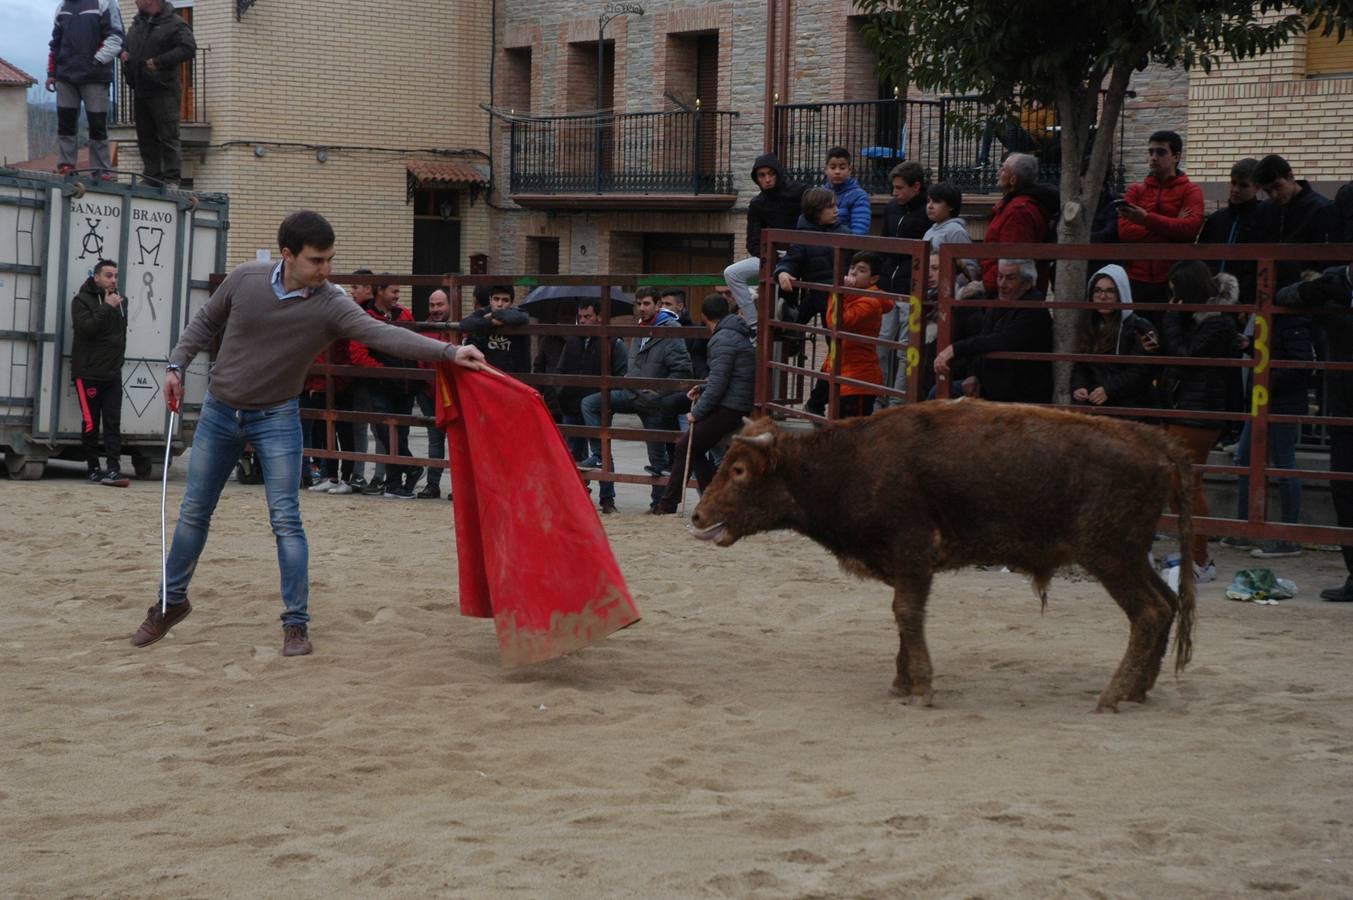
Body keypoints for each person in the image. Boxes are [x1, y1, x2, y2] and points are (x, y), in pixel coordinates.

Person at [129, 211, 486, 655]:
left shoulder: (331, 303)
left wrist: (449, 352)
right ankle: (171, 602)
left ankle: (295, 624)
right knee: (194, 513)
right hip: (221, 411)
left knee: (286, 520)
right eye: (317, 260)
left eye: (330, 259)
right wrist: (176, 364)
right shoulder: (245, 279)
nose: (326, 270)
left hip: (278, 415)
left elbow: (384, 335)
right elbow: (204, 322)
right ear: (288, 255)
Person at [1158, 261, 1240, 585]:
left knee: (1188, 485)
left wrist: (1171, 318)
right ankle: (1193, 551)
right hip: (1184, 406)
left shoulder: (1216, 323)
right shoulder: (1199, 320)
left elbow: (1184, 354)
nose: (1172, 298)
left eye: (1175, 291)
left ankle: (1201, 559)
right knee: (1178, 485)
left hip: (1198, 410)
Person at [1275, 259, 1353, 600]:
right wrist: (1312, 291)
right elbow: (1283, 294)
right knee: (1344, 492)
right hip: (1342, 404)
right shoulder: (1335, 279)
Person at [580, 287, 693, 512]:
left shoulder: (670, 330)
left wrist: (659, 394)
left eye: (647, 303)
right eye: (639, 304)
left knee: (656, 458)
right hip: (632, 393)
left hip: (652, 400)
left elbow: (682, 370)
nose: (642, 308)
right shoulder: (641, 327)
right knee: (590, 403)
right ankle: (600, 455)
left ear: (658, 304)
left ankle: (659, 504)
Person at [1221, 306, 1313, 559]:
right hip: (1264, 400)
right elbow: (1278, 357)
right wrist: (1250, 345)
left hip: (1279, 401)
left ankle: (1287, 537)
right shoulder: (1274, 318)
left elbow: (1298, 365)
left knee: (1283, 463)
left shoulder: (1293, 320)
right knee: (1245, 458)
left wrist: (1264, 383)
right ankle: (1245, 529)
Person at [653, 293, 755, 515]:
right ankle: (712, 499)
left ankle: (668, 504)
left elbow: (719, 383)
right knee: (693, 447)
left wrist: (697, 413)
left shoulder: (722, 338)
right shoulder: (734, 334)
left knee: (684, 446)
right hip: (734, 403)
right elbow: (723, 378)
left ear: (705, 317)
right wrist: (703, 388)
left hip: (730, 407)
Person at [934, 258, 1052, 403]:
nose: (1002, 284)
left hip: (1018, 395)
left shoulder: (1033, 309)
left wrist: (955, 349)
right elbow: (984, 335)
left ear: (1027, 283)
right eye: (1000, 276)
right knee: (938, 393)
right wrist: (974, 375)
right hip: (990, 386)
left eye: (1010, 278)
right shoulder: (1000, 301)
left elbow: (1002, 340)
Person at [553, 299, 628, 514]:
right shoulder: (573, 341)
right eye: (581, 317)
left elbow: (621, 376)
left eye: (587, 316)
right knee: (571, 452)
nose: (583, 321)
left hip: (598, 406)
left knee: (601, 451)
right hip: (572, 404)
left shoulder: (614, 343)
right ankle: (574, 498)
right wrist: (562, 393)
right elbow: (561, 370)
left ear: (599, 317)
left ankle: (607, 498)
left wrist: (606, 400)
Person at [1114, 130, 1205, 308]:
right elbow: (1125, 233)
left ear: (1176, 156)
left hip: (1174, 280)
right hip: (1136, 278)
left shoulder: (1191, 190)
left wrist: (1145, 219)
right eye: (1151, 152)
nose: (1154, 157)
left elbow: (1190, 230)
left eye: (1161, 152)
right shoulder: (1135, 191)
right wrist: (1171, 225)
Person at [349, 279, 421, 499]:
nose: (397, 296)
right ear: (380, 291)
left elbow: (414, 345)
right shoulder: (366, 316)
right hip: (381, 385)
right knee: (385, 431)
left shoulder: (405, 315)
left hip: (405, 385)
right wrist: (383, 371)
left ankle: (395, 482)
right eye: (394, 291)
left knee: (399, 433)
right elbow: (358, 353)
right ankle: (411, 467)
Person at [120, 0, 196, 188]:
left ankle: (171, 179)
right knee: (145, 136)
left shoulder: (174, 23)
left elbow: (188, 48)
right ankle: (152, 176)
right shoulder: (138, 24)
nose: (136, 2)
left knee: (168, 136)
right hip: (140, 88)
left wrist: (159, 62)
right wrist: (124, 54)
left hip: (164, 89)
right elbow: (129, 45)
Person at [723, 153, 804, 325]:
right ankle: (753, 322)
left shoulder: (800, 192)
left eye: (771, 173)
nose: (767, 179)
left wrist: (794, 253)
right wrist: (770, 256)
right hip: (769, 259)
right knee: (731, 273)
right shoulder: (757, 204)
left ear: (778, 173)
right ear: (756, 178)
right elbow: (752, 242)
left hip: (798, 257)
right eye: (762, 175)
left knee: (782, 310)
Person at [1069, 264, 1160, 416]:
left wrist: (1109, 389)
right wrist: (1079, 387)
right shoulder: (1090, 324)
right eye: (1097, 291)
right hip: (1096, 408)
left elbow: (1142, 371)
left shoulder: (1139, 327)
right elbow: (1081, 365)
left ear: (1121, 294)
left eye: (1110, 291)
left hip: (1131, 410)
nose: (1102, 296)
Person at [47, 0, 123, 179]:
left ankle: (101, 170)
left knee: (97, 125)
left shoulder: (105, 3)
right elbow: (55, 43)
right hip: (65, 76)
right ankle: (66, 165)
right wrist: (51, 72)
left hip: (95, 77)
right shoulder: (62, 7)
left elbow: (116, 37)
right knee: (65, 124)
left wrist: (96, 61)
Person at [70, 258, 127, 483]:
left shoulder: (121, 302)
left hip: (112, 374)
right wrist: (105, 307)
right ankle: (93, 467)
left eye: (115, 276)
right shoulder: (81, 301)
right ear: (96, 277)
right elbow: (86, 329)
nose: (113, 280)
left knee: (113, 422)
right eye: (108, 275)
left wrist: (118, 362)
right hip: (88, 373)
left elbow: (120, 336)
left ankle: (113, 468)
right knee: (91, 423)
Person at [820, 251, 894, 418]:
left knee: (854, 432)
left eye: (861, 270)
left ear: (873, 279)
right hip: (845, 372)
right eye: (852, 268)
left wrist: (838, 292)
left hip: (859, 380)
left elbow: (836, 322)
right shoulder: (855, 295)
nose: (853, 272)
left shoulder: (870, 302)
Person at [1253, 153, 1336, 288]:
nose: (1274, 195)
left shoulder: (1321, 209)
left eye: (1277, 186)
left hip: (1307, 294)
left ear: (1291, 177)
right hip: (1271, 292)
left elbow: (1326, 261)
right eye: (1268, 191)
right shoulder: (1265, 209)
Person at [981, 153, 1054, 295]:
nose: (998, 172)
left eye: (1003, 169)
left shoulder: (1018, 212)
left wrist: (985, 285)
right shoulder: (1013, 207)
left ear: (1013, 179)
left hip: (1009, 294)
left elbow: (1012, 258)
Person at [412, 288, 454, 499]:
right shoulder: (424, 330)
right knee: (435, 441)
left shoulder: (458, 329)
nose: (436, 309)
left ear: (449, 304)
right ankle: (432, 484)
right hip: (430, 393)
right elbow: (419, 362)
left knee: (457, 443)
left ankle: (460, 486)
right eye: (432, 305)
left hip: (455, 395)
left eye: (440, 305)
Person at [343, 269, 375, 494]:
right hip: (361, 376)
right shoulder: (357, 311)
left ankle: (377, 474)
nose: (351, 291)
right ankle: (359, 472)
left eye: (355, 287)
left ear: (367, 288)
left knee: (378, 428)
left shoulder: (369, 312)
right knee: (361, 427)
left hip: (370, 375)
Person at [459, 285, 531, 374]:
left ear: (511, 303)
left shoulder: (517, 314)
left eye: (505, 300)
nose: (500, 304)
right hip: (487, 375)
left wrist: (492, 315)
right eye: (496, 299)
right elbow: (464, 324)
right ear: (490, 299)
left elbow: (523, 317)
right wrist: (491, 322)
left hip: (510, 377)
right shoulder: (483, 312)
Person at [823, 146, 871, 235]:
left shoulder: (859, 196)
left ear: (849, 170)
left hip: (845, 246)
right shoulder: (820, 194)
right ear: (826, 169)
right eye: (833, 167)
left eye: (842, 168)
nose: (837, 172)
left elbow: (859, 232)